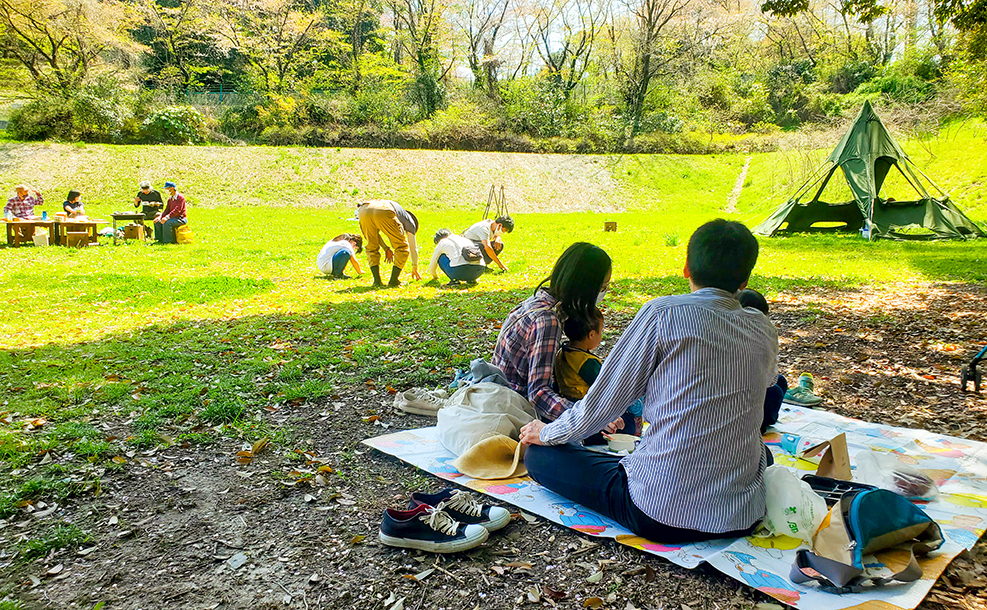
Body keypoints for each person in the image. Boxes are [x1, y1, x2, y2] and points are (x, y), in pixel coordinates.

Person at [520, 220, 778, 544]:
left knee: (540, 456)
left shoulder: (663, 314)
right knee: (761, 455)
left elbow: (601, 405)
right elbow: (765, 387)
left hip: (659, 511)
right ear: (745, 280)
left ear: (686, 268)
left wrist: (547, 432)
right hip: (741, 514)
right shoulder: (763, 329)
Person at [492, 242, 623, 438]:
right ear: (586, 287)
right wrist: (586, 417)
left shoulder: (539, 301)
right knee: (620, 424)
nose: (603, 293)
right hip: (514, 408)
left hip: (504, 394)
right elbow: (538, 394)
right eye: (603, 287)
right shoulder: (548, 320)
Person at [554, 309, 641, 440]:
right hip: (588, 411)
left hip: (571, 406)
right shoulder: (587, 362)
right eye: (601, 331)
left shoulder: (562, 352)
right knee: (628, 422)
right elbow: (608, 387)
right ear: (591, 335)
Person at [737, 288, 787, 433]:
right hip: (745, 391)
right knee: (775, 390)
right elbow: (769, 378)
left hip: (752, 383)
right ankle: (764, 421)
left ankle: (767, 416)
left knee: (780, 381)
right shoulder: (765, 332)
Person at [356, 199, 421, 287]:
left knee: (371, 246)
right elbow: (412, 247)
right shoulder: (411, 223)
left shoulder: (399, 212)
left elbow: (375, 235)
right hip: (383, 210)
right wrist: (415, 267)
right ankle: (393, 280)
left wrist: (386, 248)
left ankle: (377, 281)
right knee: (402, 248)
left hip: (364, 209)